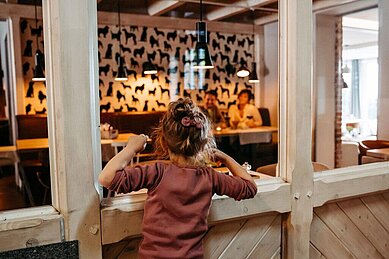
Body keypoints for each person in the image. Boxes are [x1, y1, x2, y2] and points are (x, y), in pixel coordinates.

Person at [99, 98, 257, 258]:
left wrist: (131, 148)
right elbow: (250, 187)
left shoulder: (156, 172)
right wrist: (224, 157)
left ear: (163, 141)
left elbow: (106, 178)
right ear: (203, 144)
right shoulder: (210, 177)